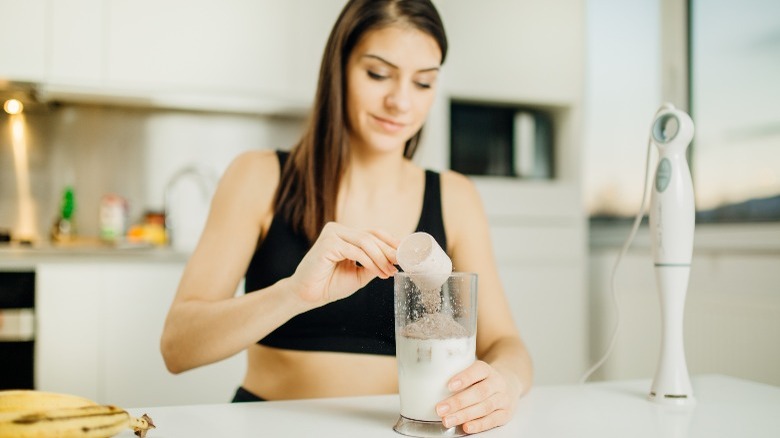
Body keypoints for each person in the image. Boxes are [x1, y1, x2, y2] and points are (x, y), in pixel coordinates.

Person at [160, 0, 533, 433]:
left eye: (424, 83)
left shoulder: (455, 196)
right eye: (378, 74)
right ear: (338, 68)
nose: (400, 102)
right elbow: (177, 347)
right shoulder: (258, 177)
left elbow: (505, 343)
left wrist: (505, 382)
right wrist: (295, 294)